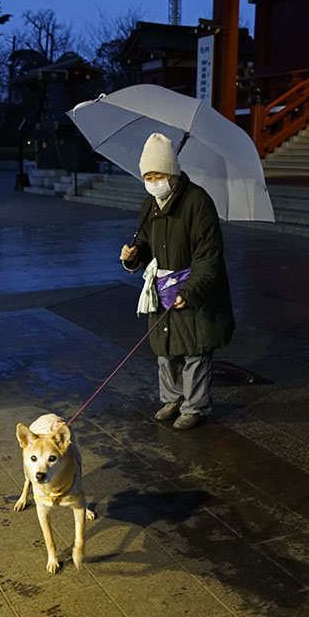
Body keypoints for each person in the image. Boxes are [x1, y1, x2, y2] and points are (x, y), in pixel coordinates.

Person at [120, 133, 234, 430]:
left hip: (193, 285)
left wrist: (191, 290)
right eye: (147, 177)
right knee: (166, 346)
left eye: (157, 176)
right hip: (162, 287)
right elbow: (146, 243)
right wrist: (134, 255)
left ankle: (195, 407)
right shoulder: (150, 204)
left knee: (195, 349)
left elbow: (208, 254)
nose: (152, 182)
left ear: (171, 173)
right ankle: (173, 398)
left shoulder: (198, 202)